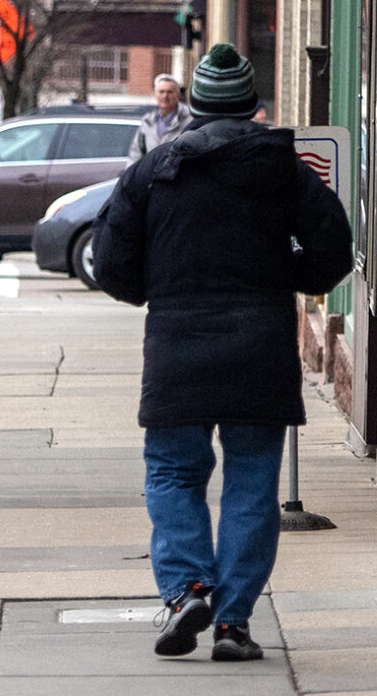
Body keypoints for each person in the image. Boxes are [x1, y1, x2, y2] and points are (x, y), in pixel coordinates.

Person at [92, 43, 352, 664]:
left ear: (194, 108)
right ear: (254, 107)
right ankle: (233, 623)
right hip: (260, 345)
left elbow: (110, 262)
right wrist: (281, 271)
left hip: (178, 346)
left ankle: (187, 591)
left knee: (174, 473)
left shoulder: (154, 170)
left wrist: (159, 287)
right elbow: (333, 251)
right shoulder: (285, 170)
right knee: (252, 486)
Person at [128, 73, 193, 157]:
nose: (165, 96)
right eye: (161, 92)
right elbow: (136, 153)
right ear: (156, 94)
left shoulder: (189, 120)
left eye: (169, 92)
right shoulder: (148, 121)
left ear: (177, 95)